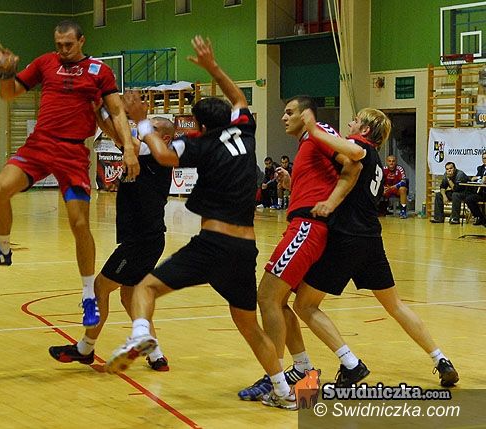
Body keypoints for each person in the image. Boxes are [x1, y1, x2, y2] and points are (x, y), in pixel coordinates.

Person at [105, 35, 297, 410]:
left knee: (145, 288)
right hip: (245, 249)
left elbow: (162, 155)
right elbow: (239, 98)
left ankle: (141, 335)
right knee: (248, 324)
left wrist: (141, 120)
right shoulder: (246, 131)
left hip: (212, 244)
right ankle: (283, 391)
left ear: (198, 124)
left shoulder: (200, 145)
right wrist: (213, 68)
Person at [0, 20, 139, 330]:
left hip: (73, 153)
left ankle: (88, 295)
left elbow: (116, 111)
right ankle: (3, 250)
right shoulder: (45, 62)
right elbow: (9, 94)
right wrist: (3, 75)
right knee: (0, 190)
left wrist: (127, 148)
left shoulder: (100, 71)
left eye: (68, 45)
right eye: (59, 44)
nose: (62, 50)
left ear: (81, 41)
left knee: (79, 224)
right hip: (40, 144)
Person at [292, 108, 459, 388]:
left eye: (355, 120)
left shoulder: (359, 147)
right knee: (396, 306)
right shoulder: (378, 162)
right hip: (371, 239)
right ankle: (440, 359)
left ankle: (350, 363)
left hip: (346, 238)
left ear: (365, 130)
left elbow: (351, 151)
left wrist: (313, 128)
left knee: (304, 305)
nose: (350, 123)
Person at [238, 96, 364, 401]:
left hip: (307, 228)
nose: (284, 117)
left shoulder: (319, 132)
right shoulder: (308, 143)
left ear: (306, 115)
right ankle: (302, 367)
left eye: (290, 112)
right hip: (302, 224)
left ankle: (275, 377)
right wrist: (292, 182)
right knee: (280, 302)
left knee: (267, 297)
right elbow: (318, 185)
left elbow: (354, 163)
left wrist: (331, 203)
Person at [49, 113, 175, 371]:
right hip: (146, 239)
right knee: (129, 296)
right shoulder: (141, 153)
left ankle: (85, 349)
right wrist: (99, 112)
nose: (143, 133)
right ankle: (157, 356)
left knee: (100, 287)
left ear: (164, 139)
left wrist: (100, 108)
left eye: (151, 129)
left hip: (141, 242)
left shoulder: (153, 155)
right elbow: (120, 137)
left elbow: (123, 136)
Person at [465, 153, 486, 226]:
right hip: (480, 192)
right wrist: (479, 178)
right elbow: (475, 178)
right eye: (483, 158)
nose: (485, 160)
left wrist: (481, 179)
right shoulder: (480, 168)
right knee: (468, 198)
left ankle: (481, 218)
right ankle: (480, 217)